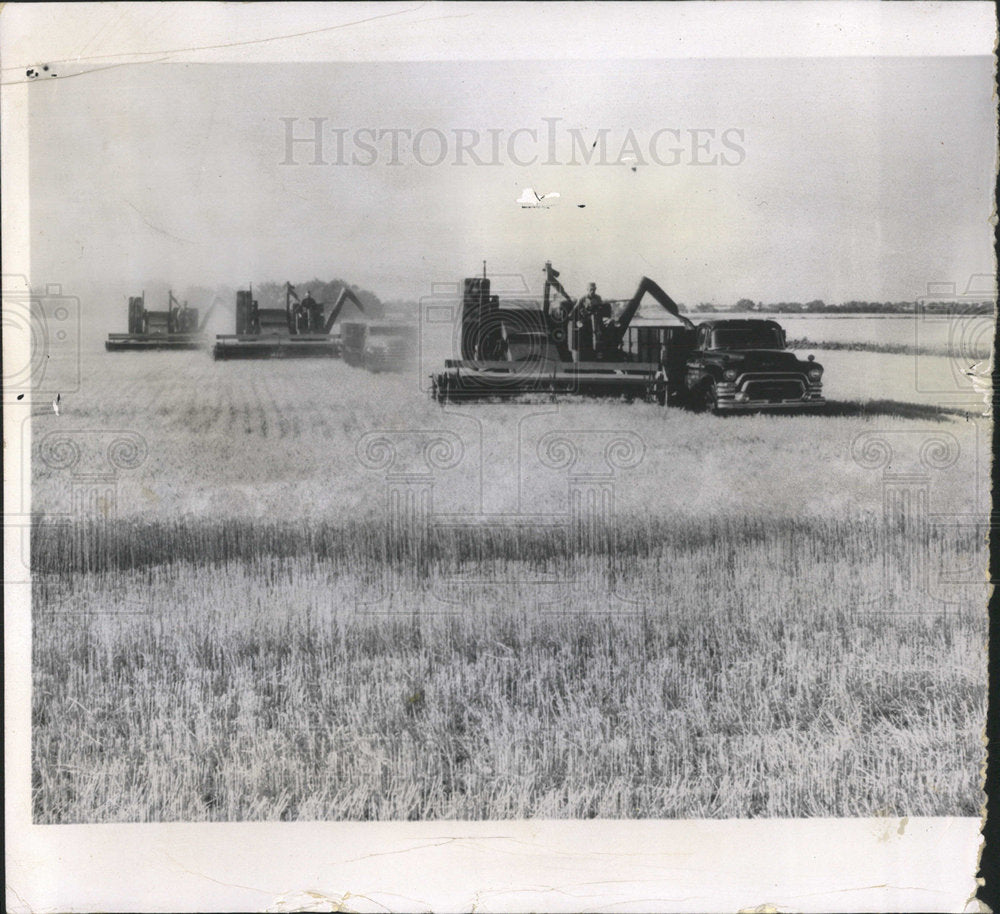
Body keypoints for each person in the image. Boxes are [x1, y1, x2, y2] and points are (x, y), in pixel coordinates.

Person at [572, 282, 611, 360]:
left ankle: (600, 350)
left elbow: (601, 307)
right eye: (591, 289)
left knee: (601, 331)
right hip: (586, 319)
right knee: (583, 333)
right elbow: (575, 308)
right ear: (587, 290)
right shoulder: (583, 298)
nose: (592, 291)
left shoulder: (598, 298)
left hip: (596, 318)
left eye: (594, 289)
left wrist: (598, 309)